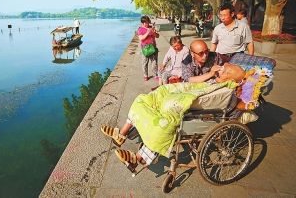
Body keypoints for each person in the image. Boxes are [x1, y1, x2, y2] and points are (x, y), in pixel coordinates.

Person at [101, 62, 248, 167]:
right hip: (181, 99)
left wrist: (248, 104)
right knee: (142, 100)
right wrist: (211, 75)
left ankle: (137, 159)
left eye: (223, 68)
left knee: (161, 126)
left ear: (228, 77)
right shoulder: (214, 81)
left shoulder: (225, 92)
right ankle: (121, 134)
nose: (220, 68)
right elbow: (192, 83)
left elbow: (203, 98)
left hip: (189, 113)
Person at [138, 15, 160, 81]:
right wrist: (148, 32)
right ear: (142, 23)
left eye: (147, 22)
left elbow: (157, 36)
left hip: (153, 48)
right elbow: (141, 38)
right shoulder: (140, 29)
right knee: (144, 63)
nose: (146, 24)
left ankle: (156, 75)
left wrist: (153, 32)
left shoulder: (152, 28)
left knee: (154, 63)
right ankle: (145, 75)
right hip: (145, 49)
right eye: (144, 22)